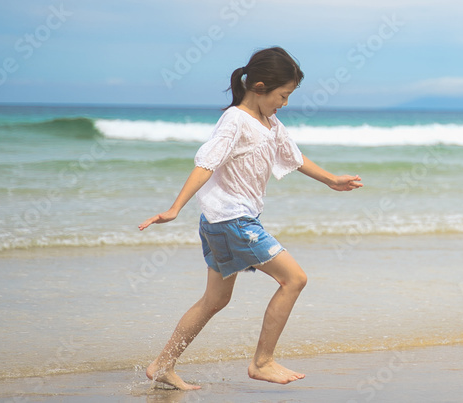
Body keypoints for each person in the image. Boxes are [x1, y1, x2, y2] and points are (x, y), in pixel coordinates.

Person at [138, 46, 362, 390]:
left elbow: (294, 156)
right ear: (259, 86)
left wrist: (332, 179)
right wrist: (175, 207)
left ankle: (163, 364)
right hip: (233, 221)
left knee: (215, 299)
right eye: (282, 95)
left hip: (220, 220)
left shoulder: (269, 123)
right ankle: (262, 362)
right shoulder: (236, 120)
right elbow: (206, 162)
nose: (284, 103)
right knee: (294, 279)